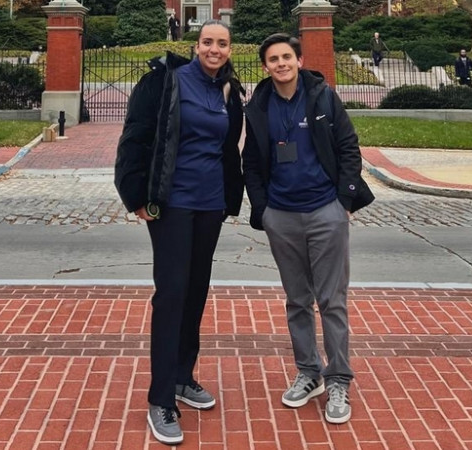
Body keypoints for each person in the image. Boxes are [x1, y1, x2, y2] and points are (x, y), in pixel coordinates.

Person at [114, 19, 244, 445]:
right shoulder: (164, 81)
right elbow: (135, 138)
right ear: (195, 45)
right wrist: (134, 195)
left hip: (210, 205)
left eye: (222, 44)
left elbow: (229, 149)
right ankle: (160, 397)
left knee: (196, 290)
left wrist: (232, 198)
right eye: (208, 42)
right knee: (171, 292)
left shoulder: (229, 91)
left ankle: (184, 376)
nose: (214, 49)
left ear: (229, 49)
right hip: (171, 203)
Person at [242, 33, 374, 425]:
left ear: (298, 60)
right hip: (281, 215)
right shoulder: (258, 108)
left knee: (332, 299)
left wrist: (345, 201)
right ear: (265, 66)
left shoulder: (322, 97)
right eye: (273, 59)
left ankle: (338, 378)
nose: (281, 63)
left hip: (324, 210)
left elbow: (349, 147)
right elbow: (251, 162)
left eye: (287, 56)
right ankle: (309, 371)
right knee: (297, 300)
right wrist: (263, 209)